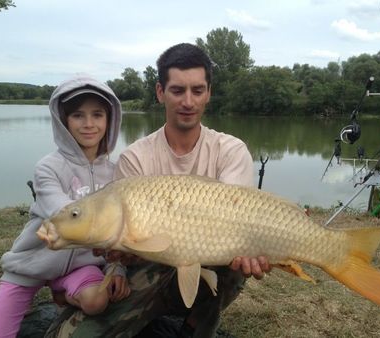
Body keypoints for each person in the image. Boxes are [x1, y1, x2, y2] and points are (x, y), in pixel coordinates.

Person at [48, 43, 270, 338]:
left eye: (197, 90)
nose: (188, 101)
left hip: (209, 261)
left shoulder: (230, 150)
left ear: (208, 93)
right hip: (147, 269)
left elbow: (236, 223)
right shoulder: (136, 157)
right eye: (178, 91)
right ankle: (143, 319)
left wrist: (253, 249)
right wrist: (116, 268)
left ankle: (195, 328)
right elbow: (116, 242)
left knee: (235, 262)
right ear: (160, 92)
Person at [0, 74, 130, 338]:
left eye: (97, 115)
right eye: (78, 116)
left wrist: (117, 266)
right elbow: (62, 214)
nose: (89, 124)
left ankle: (63, 294)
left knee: (97, 301)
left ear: (110, 119)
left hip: (82, 266)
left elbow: (123, 230)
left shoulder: (117, 174)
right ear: (63, 121)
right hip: (34, 262)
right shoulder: (48, 167)